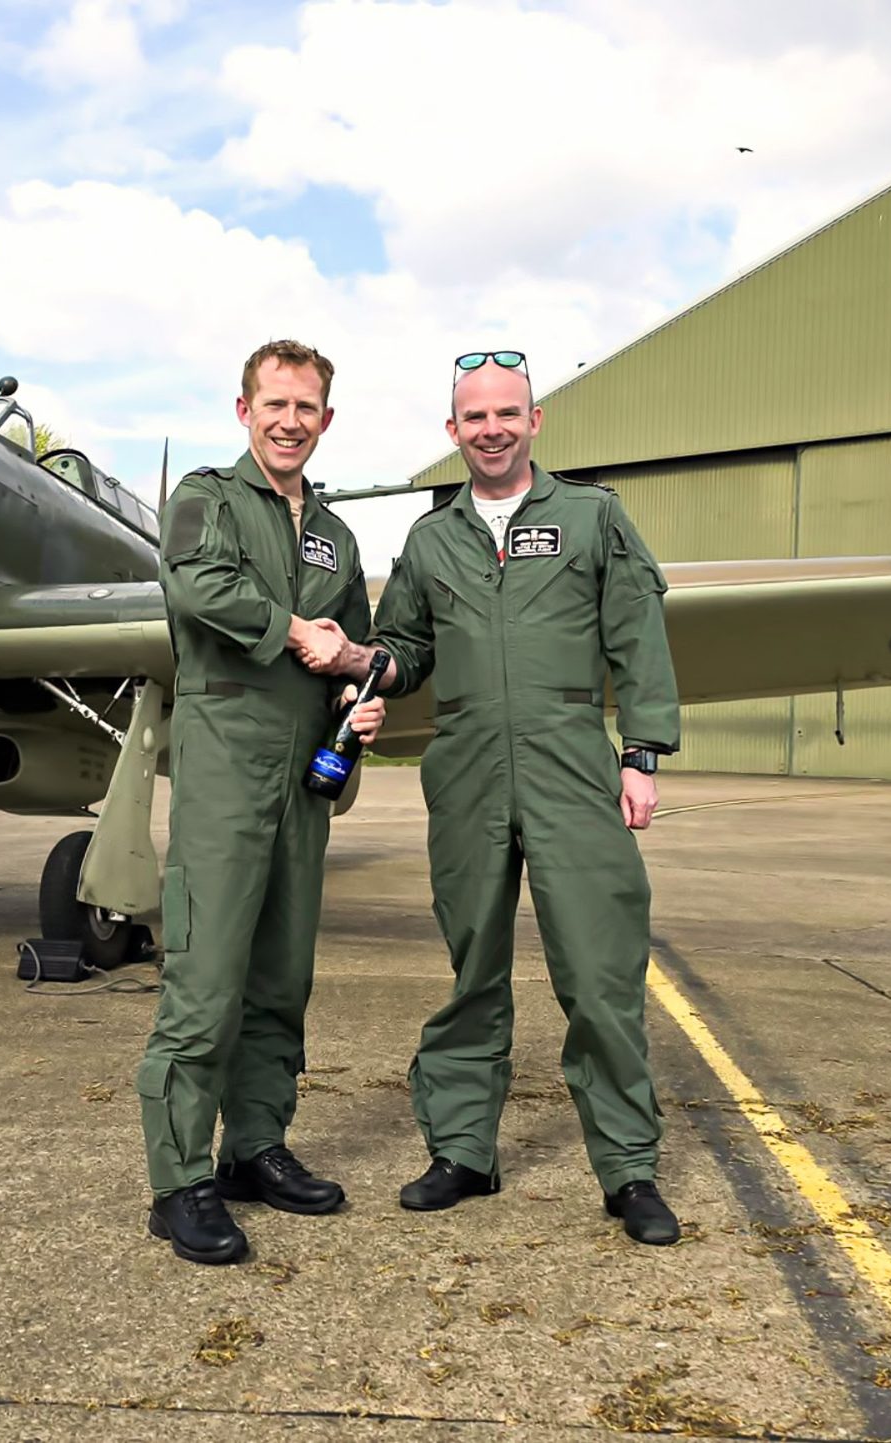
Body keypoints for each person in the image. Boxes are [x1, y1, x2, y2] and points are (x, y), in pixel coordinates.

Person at [317, 349, 684, 1245]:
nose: (492, 430)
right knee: (472, 967)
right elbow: (407, 646)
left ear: (534, 421)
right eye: (475, 417)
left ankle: (628, 1168)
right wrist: (364, 663)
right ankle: (462, 1151)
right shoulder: (431, 540)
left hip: (571, 764)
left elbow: (637, 631)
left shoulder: (593, 516)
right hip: (468, 767)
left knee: (598, 972)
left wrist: (641, 754)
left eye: (507, 413)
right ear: (454, 431)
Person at [136, 339, 373, 1265]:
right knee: (205, 981)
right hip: (227, 773)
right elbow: (199, 586)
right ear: (245, 411)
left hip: (303, 783)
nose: (289, 421)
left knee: (280, 977)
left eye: (306, 407)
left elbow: (354, 648)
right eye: (274, 404)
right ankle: (178, 1183)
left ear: (325, 419)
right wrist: (294, 630)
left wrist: (359, 688)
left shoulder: (337, 537)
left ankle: (254, 1147)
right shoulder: (207, 500)